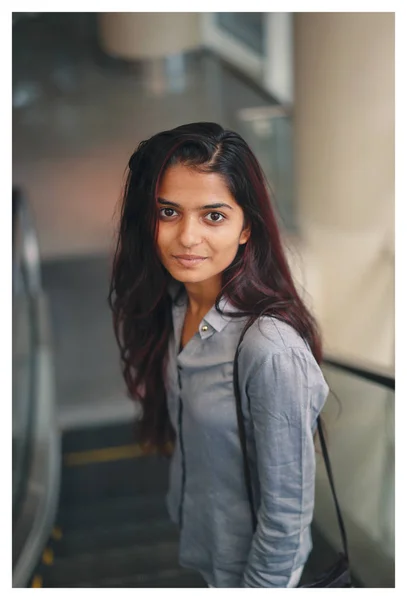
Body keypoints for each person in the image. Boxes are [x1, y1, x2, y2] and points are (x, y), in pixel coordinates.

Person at [108, 122, 329, 588]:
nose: (187, 237)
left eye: (213, 216)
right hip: (204, 540)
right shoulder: (174, 303)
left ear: (247, 226)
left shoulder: (269, 351)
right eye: (168, 212)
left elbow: (287, 515)